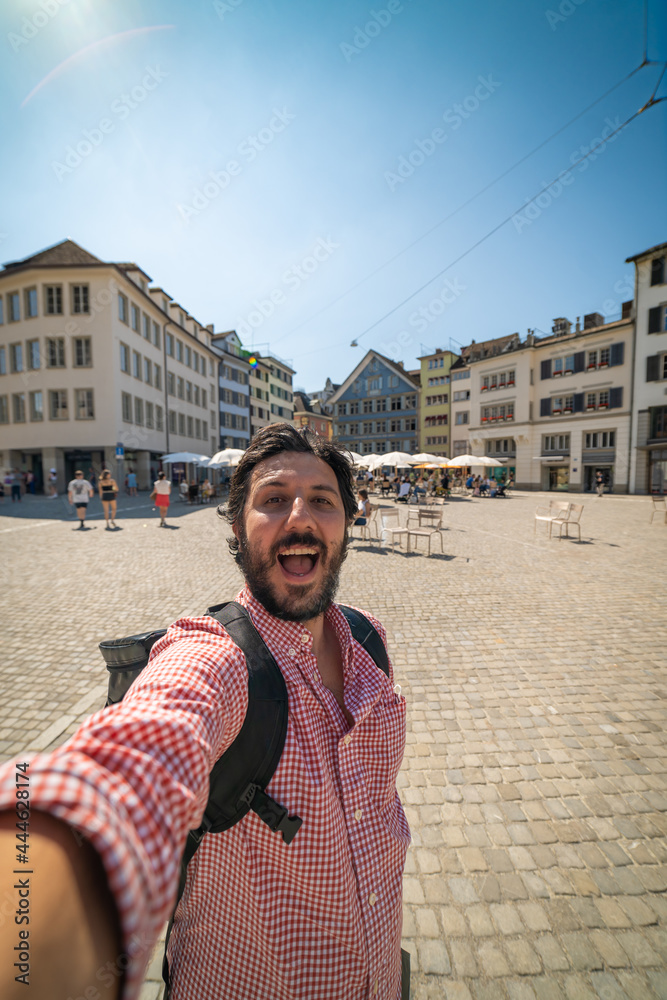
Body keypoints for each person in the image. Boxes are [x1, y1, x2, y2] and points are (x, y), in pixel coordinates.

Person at [0, 423, 410, 1000]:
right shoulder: (216, 657)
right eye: (273, 500)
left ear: (346, 523)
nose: (300, 517)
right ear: (239, 530)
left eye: (323, 500)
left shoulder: (369, 641)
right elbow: (141, 752)